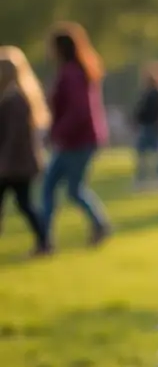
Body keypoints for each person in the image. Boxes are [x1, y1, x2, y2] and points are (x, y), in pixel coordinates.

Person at [42, 22, 111, 247]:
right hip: (79, 139)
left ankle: (45, 239)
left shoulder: (71, 73)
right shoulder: (79, 70)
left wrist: (58, 132)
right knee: (64, 188)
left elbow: (78, 110)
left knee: (60, 188)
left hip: (76, 141)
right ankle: (46, 237)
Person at [0, 46, 51, 255]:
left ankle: (44, 241)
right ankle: (44, 241)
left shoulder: (15, 99)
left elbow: (14, 137)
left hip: (14, 164)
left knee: (25, 204)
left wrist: (3, 163)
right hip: (16, 163)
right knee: (25, 204)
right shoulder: (13, 96)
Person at [132, 60, 158, 189]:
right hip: (149, 126)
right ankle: (145, 179)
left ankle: (156, 179)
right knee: (146, 155)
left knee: (154, 155)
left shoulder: (155, 94)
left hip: (152, 127)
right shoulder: (147, 93)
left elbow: (156, 111)